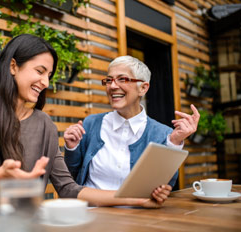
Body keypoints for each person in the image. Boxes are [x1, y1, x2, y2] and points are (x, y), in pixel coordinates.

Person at [0, 35, 170, 209]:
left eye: (49, 75)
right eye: (40, 71)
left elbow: (69, 188)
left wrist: (139, 199)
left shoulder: (44, 125)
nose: (45, 82)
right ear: (13, 67)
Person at [64, 56, 200, 197]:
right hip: (91, 211)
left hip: (136, 215)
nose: (112, 86)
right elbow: (70, 178)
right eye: (109, 80)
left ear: (143, 88)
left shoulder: (163, 133)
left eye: (122, 79)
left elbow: (164, 187)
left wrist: (174, 143)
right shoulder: (90, 124)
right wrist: (72, 147)